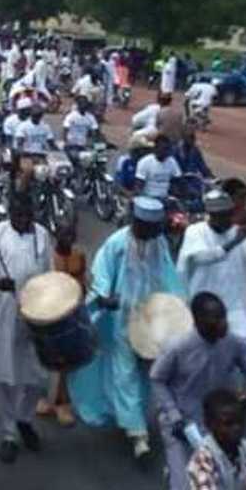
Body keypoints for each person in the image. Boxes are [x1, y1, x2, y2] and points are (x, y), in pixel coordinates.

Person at [69, 196, 184, 461]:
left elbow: (168, 277)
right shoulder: (117, 243)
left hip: (151, 322)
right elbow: (101, 275)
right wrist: (104, 297)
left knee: (147, 375)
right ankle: (138, 436)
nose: (152, 233)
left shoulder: (159, 243)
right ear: (137, 222)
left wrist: (176, 305)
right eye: (147, 227)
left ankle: (135, 419)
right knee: (125, 374)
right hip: (121, 320)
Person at [150, 293, 246, 490]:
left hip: (218, 422)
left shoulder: (233, 344)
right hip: (182, 425)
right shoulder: (178, 347)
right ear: (198, 320)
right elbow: (157, 379)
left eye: (224, 316)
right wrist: (174, 416)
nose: (223, 323)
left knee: (226, 477)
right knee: (182, 485)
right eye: (216, 318)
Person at [0, 195, 51, 464]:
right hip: (4, 316)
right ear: (9, 213)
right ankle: (9, 433)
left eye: (27, 215)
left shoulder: (42, 234)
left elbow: (49, 271)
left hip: (36, 314)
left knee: (38, 374)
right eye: (18, 216)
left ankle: (25, 420)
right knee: (4, 374)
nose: (23, 220)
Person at [177, 190, 246, 348]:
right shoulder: (195, 232)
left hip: (233, 305)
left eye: (228, 214)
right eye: (221, 215)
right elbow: (202, 257)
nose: (226, 219)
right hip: (202, 308)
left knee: (245, 347)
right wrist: (233, 243)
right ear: (211, 215)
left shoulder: (236, 232)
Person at [36, 220, 86, 428]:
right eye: (63, 236)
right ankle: (45, 399)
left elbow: (83, 283)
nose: (67, 240)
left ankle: (62, 403)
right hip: (50, 313)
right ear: (56, 236)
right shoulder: (47, 259)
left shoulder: (79, 256)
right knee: (45, 359)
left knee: (65, 362)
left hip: (71, 314)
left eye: (71, 236)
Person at [186, 389, 246, 490]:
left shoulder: (242, 448)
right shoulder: (202, 461)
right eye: (228, 423)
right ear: (209, 424)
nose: (237, 428)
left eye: (240, 421)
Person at [135, 134, 182, 201]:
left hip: (166, 198)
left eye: (167, 149)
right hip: (148, 198)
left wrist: (177, 193)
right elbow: (138, 186)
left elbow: (178, 181)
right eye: (163, 149)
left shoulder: (172, 162)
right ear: (155, 148)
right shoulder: (144, 162)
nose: (165, 152)